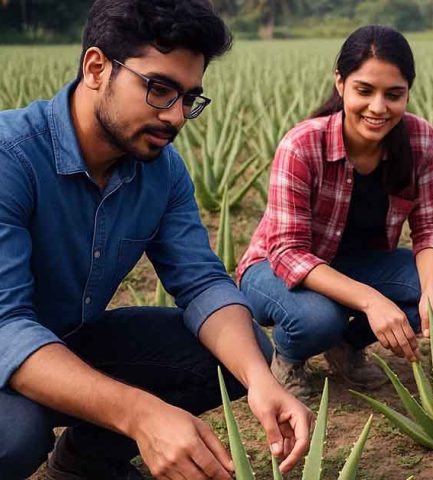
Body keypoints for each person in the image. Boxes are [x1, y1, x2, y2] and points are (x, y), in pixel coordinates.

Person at [0, 1, 313, 479]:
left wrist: (259, 381)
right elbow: (7, 326)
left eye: (188, 98)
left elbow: (202, 282)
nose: (177, 117)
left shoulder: (162, 172)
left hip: (67, 339)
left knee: (239, 351)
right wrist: (140, 414)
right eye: (159, 89)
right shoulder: (12, 159)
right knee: (15, 435)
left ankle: (85, 463)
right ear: (97, 67)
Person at [237, 25, 433, 401]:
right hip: (273, 267)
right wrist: (372, 300)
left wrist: (429, 294)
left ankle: (345, 346)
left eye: (393, 95)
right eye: (365, 91)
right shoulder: (303, 145)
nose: (379, 108)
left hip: (357, 263)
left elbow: (430, 227)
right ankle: (289, 356)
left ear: (408, 92)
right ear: (341, 84)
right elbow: (288, 253)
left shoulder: (420, 140)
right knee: (318, 319)